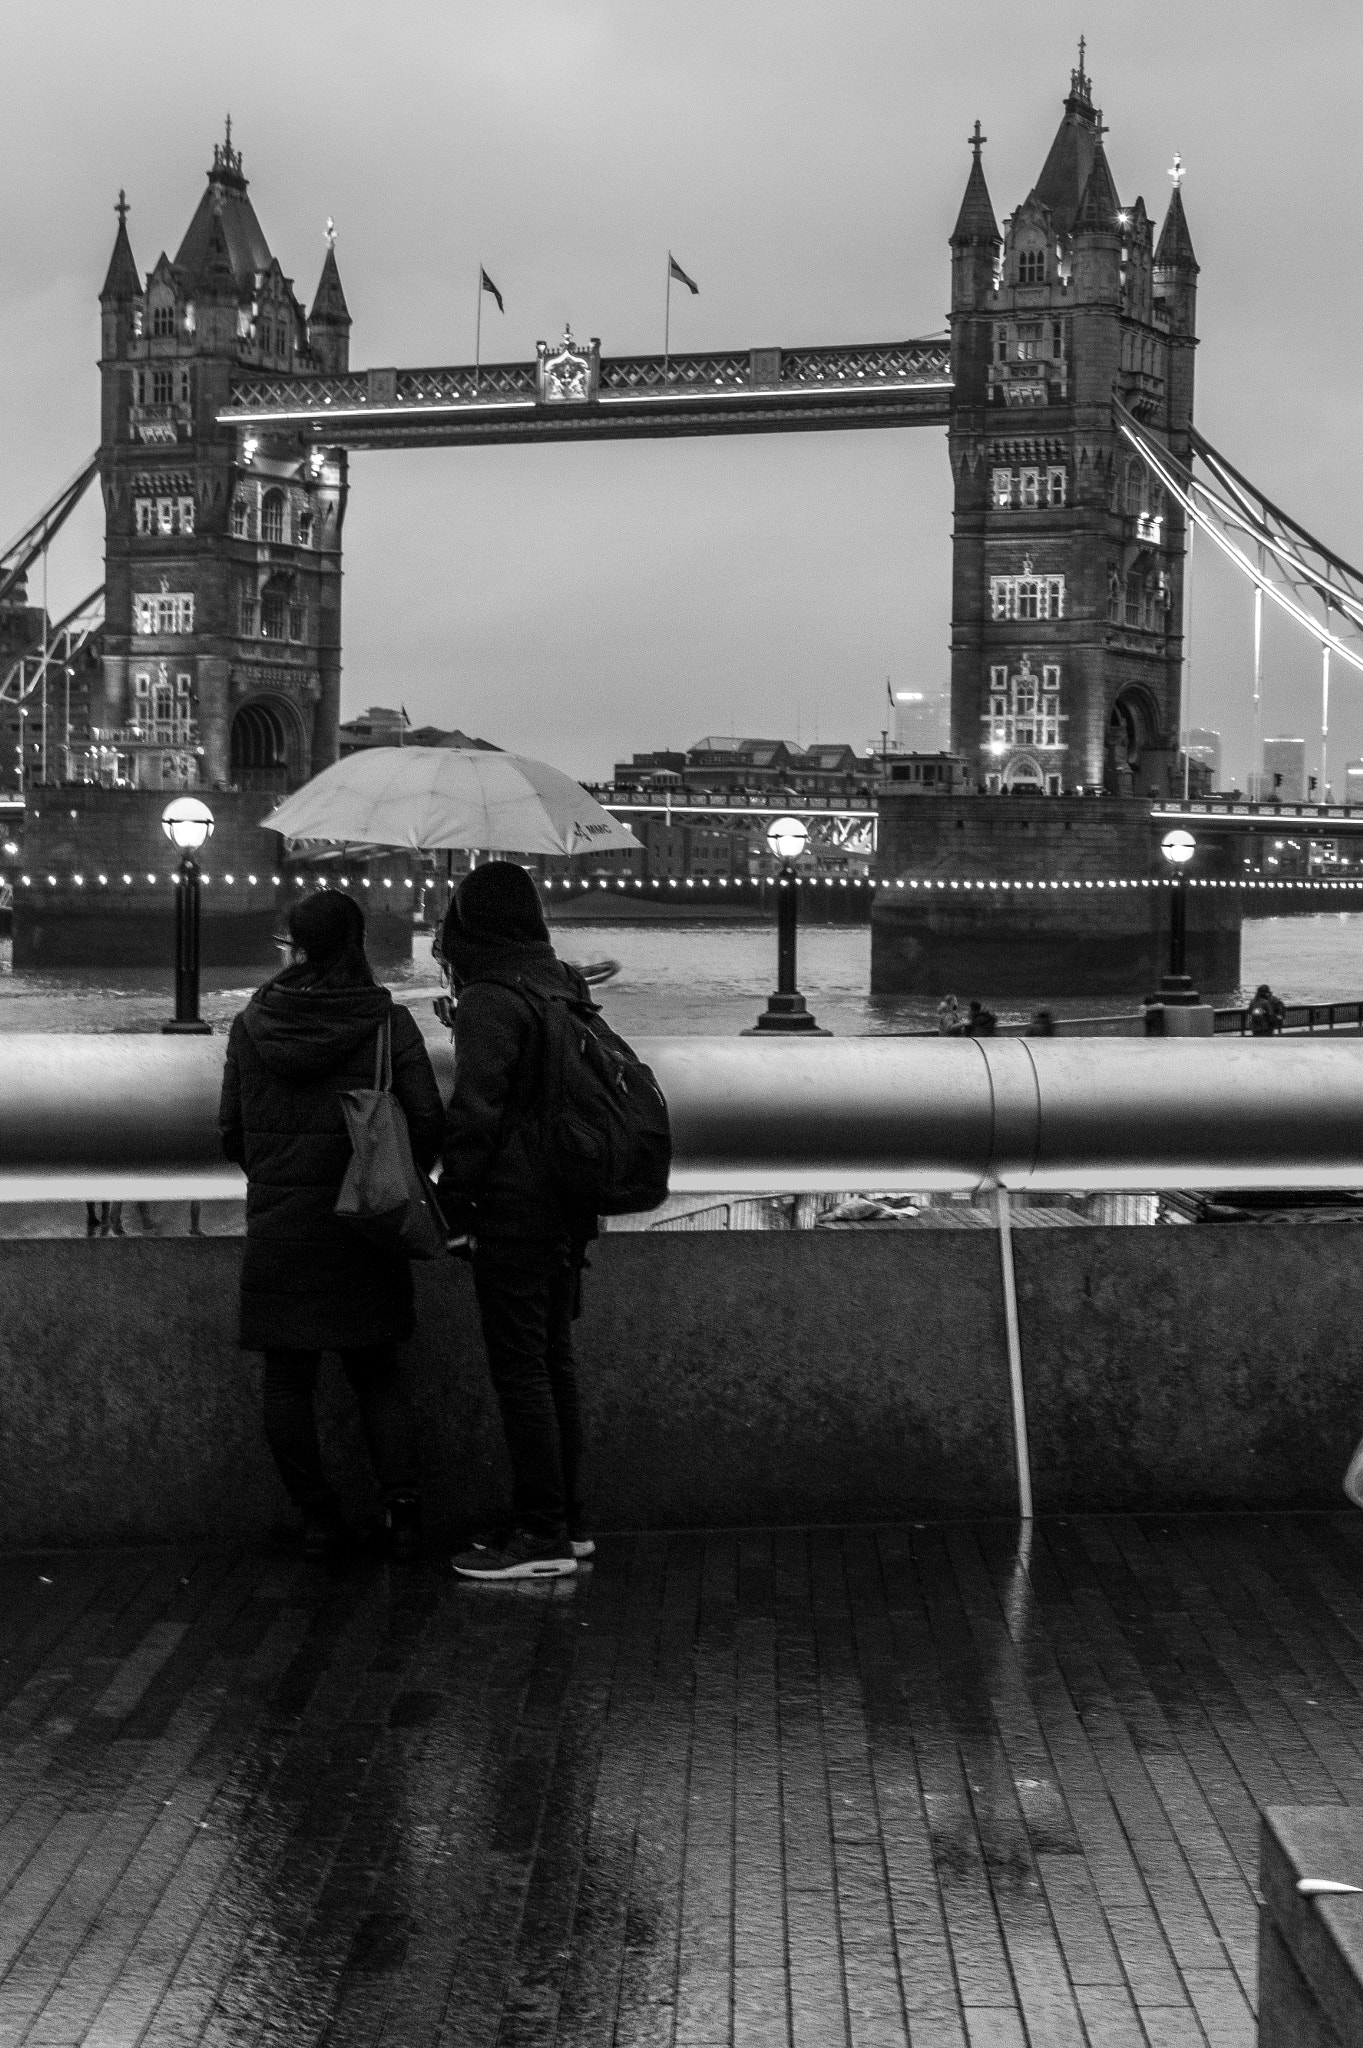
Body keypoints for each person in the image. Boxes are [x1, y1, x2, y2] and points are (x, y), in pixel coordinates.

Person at [219, 890, 443, 1559]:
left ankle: (317, 1516)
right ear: (358, 940)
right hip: (365, 1220)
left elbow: (231, 1129)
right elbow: (427, 1119)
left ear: (297, 942)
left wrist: (275, 1177)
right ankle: (401, 1515)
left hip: (282, 1222)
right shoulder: (387, 1022)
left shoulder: (253, 1022)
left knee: (288, 1375)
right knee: (376, 1369)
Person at [436, 861, 598, 1582]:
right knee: (552, 1362)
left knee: (520, 1371)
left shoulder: (491, 999)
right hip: (567, 1197)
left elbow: (476, 1114)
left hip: (514, 1201)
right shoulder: (560, 982)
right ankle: (566, 1518)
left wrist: (454, 1204)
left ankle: (540, 1535)